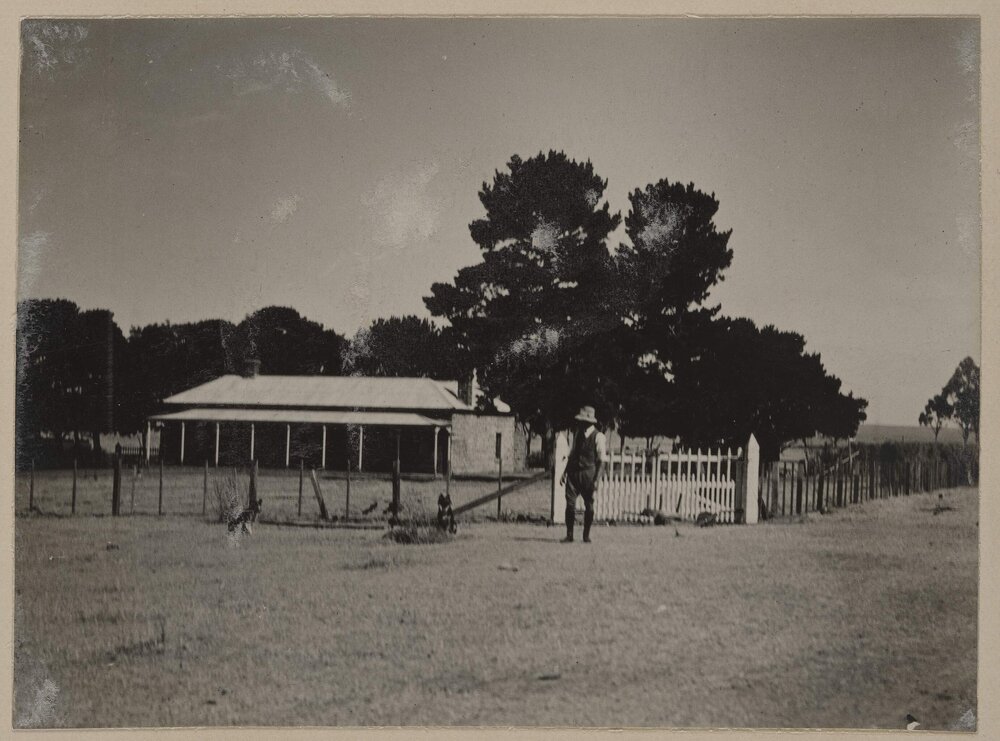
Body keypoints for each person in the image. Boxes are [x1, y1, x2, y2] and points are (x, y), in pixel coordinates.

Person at [560, 405, 607, 543]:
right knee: (570, 505)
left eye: (582, 421)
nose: (579, 423)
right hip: (574, 474)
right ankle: (569, 535)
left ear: (589, 422)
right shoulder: (577, 434)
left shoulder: (599, 437)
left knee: (589, 505)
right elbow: (572, 454)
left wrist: (597, 480)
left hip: (588, 474)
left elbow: (602, 461)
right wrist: (565, 472)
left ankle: (586, 535)